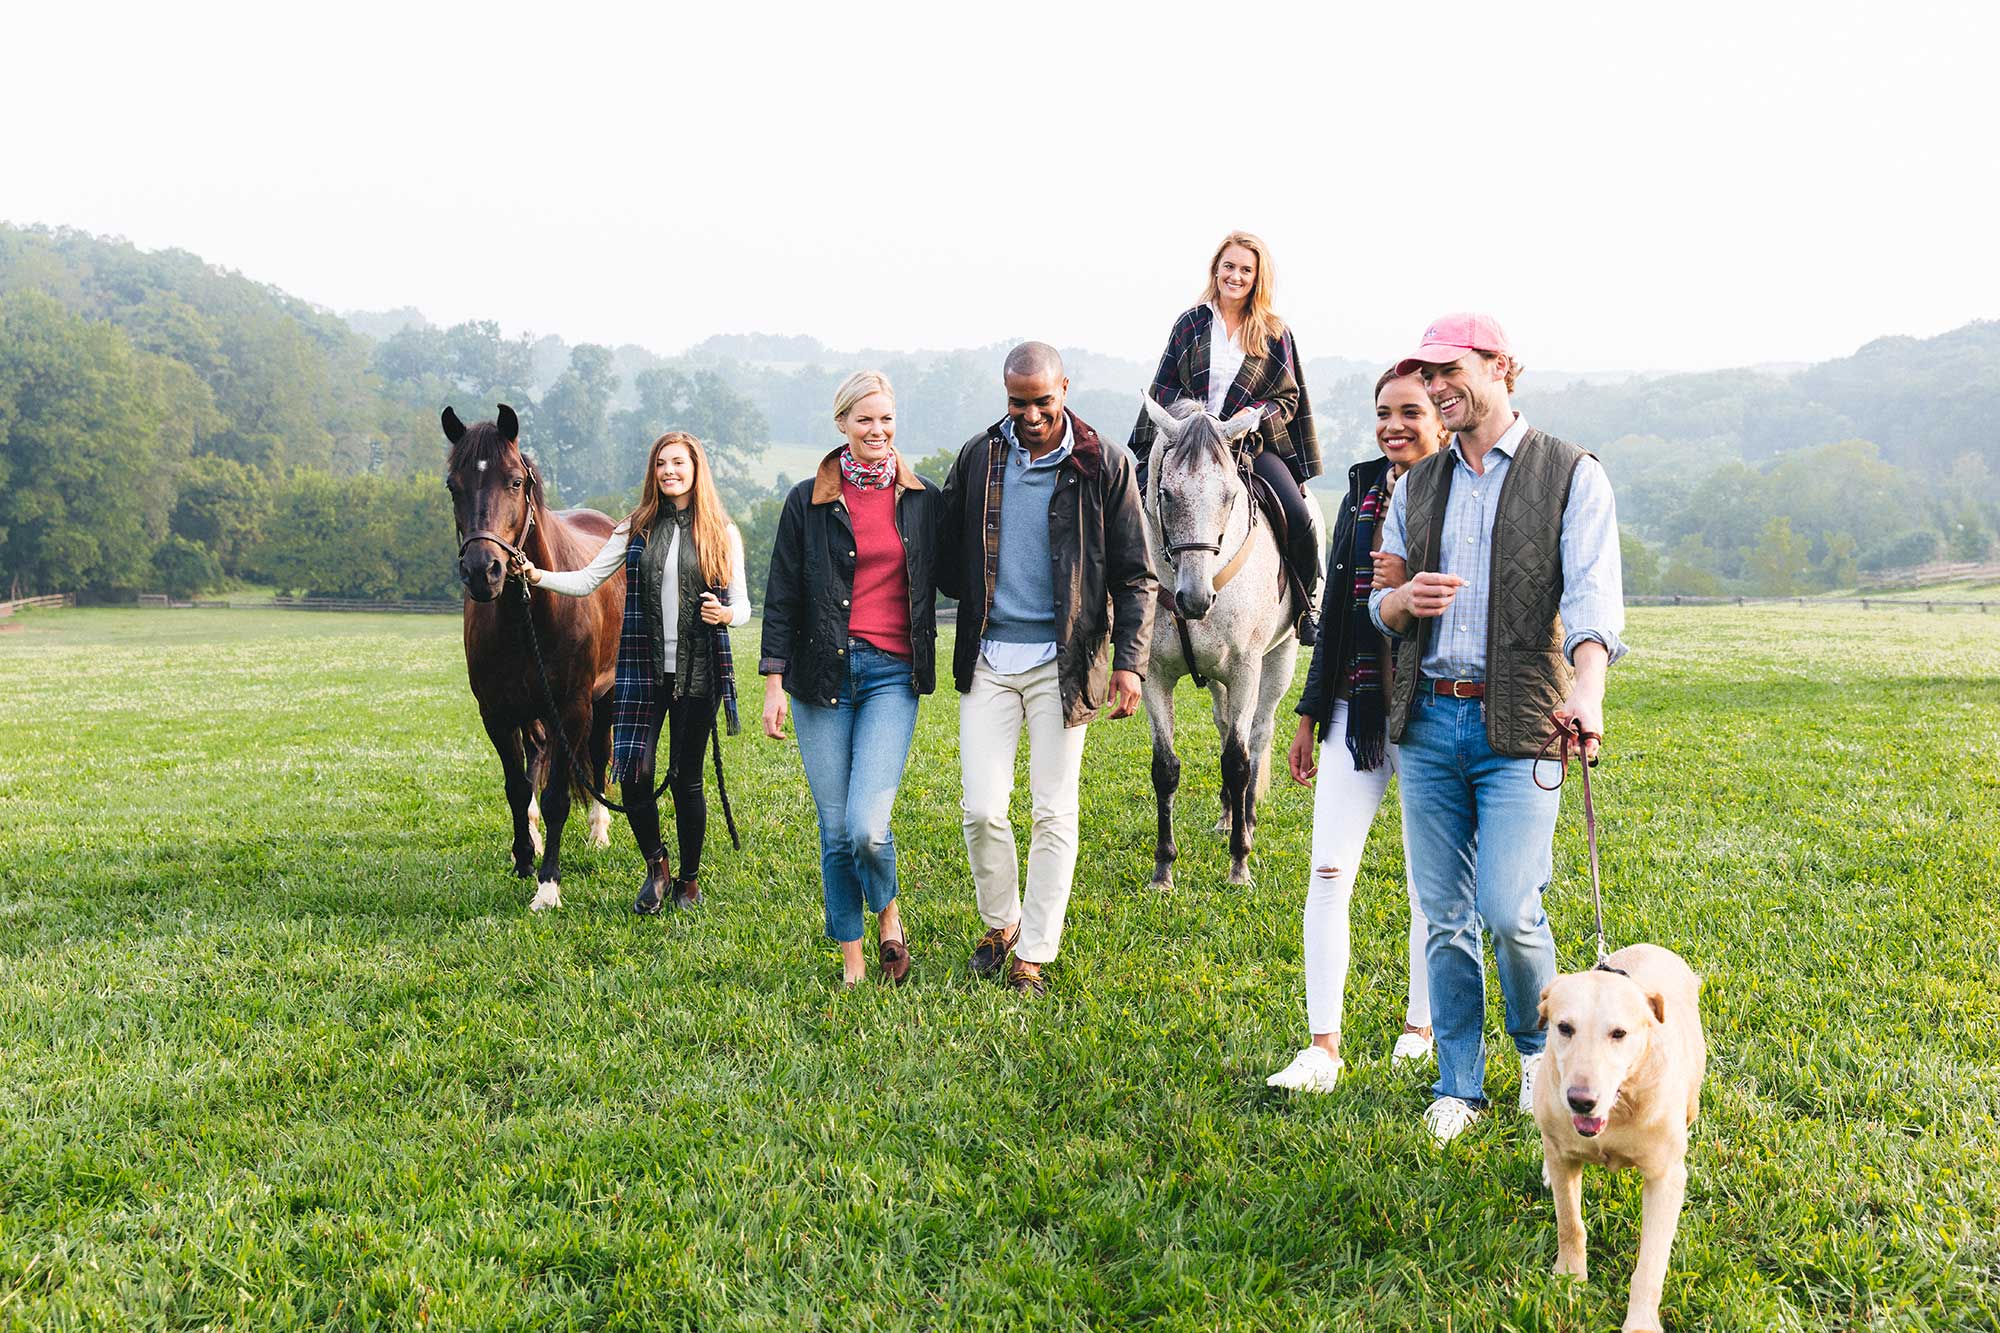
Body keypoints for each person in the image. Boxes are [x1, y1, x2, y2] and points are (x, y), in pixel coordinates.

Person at [1369, 314, 1626, 1143]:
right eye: (1427, 374)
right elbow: (1380, 603)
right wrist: (1401, 602)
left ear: (1500, 367)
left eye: (1451, 370)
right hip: (1427, 721)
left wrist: (1588, 692)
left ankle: (1536, 1055)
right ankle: (1457, 1083)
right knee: (1443, 914)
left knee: (1510, 907)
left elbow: (1591, 600)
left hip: (1522, 725)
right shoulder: (1417, 483)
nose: (1437, 387)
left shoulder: (1571, 473)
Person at [937, 342, 1158, 997]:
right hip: (988, 657)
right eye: (1018, 402)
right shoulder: (979, 457)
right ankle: (1000, 923)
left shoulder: (1103, 462)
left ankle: (1032, 954)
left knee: (1053, 811)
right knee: (982, 809)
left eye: (1042, 401)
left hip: (1065, 663)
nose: (1031, 415)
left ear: (1064, 388)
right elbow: (944, 544)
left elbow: (1136, 574)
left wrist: (1130, 665)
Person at [1268, 368, 1449, 1093]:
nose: (1393, 425)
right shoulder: (1363, 490)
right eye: (1383, 412)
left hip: (1431, 711)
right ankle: (1323, 1047)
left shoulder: (1464, 494)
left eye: (1411, 411)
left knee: (1429, 883)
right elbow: (1339, 606)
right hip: (1357, 708)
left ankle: (1420, 1027)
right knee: (1327, 871)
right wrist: (1309, 712)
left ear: (1443, 419)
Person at [514, 430, 750, 915]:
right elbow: (587, 579)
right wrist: (538, 576)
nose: (669, 471)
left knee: (686, 780)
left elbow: (744, 605)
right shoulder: (633, 529)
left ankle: (688, 881)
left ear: (696, 468)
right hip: (643, 671)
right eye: (661, 463)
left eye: (678, 463)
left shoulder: (722, 532)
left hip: (699, 671)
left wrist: (727, 614)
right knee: (634, 774)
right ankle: (656, 866)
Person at [760, 371, 940, 988]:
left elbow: (959, 571)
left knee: (867, 826)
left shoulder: (921, 498)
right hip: (820, 675)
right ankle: (855, 963)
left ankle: (888, 912)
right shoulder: (806, 501)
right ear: (842, 424)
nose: (877, 430)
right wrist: (773, 682)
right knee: (836, 830)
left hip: (892, 674)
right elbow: (781, 595)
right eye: (865, 419)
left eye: (886, 418)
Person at [1128, 230, 1324, 641]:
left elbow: (1287, 398)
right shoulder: (1190, 323)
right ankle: (1114, 603)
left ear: (1257, 277)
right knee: (1126, 505)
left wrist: (1255, 415)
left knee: (1299, 516)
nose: (1236, 276)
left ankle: (1307, 606)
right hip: (1186, 444)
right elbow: (1165, 385)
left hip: (1247, 444)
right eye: (1229, 266)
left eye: (1245, 270)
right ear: (1216, 270)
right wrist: (1188, 419)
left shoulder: (1274, 331)